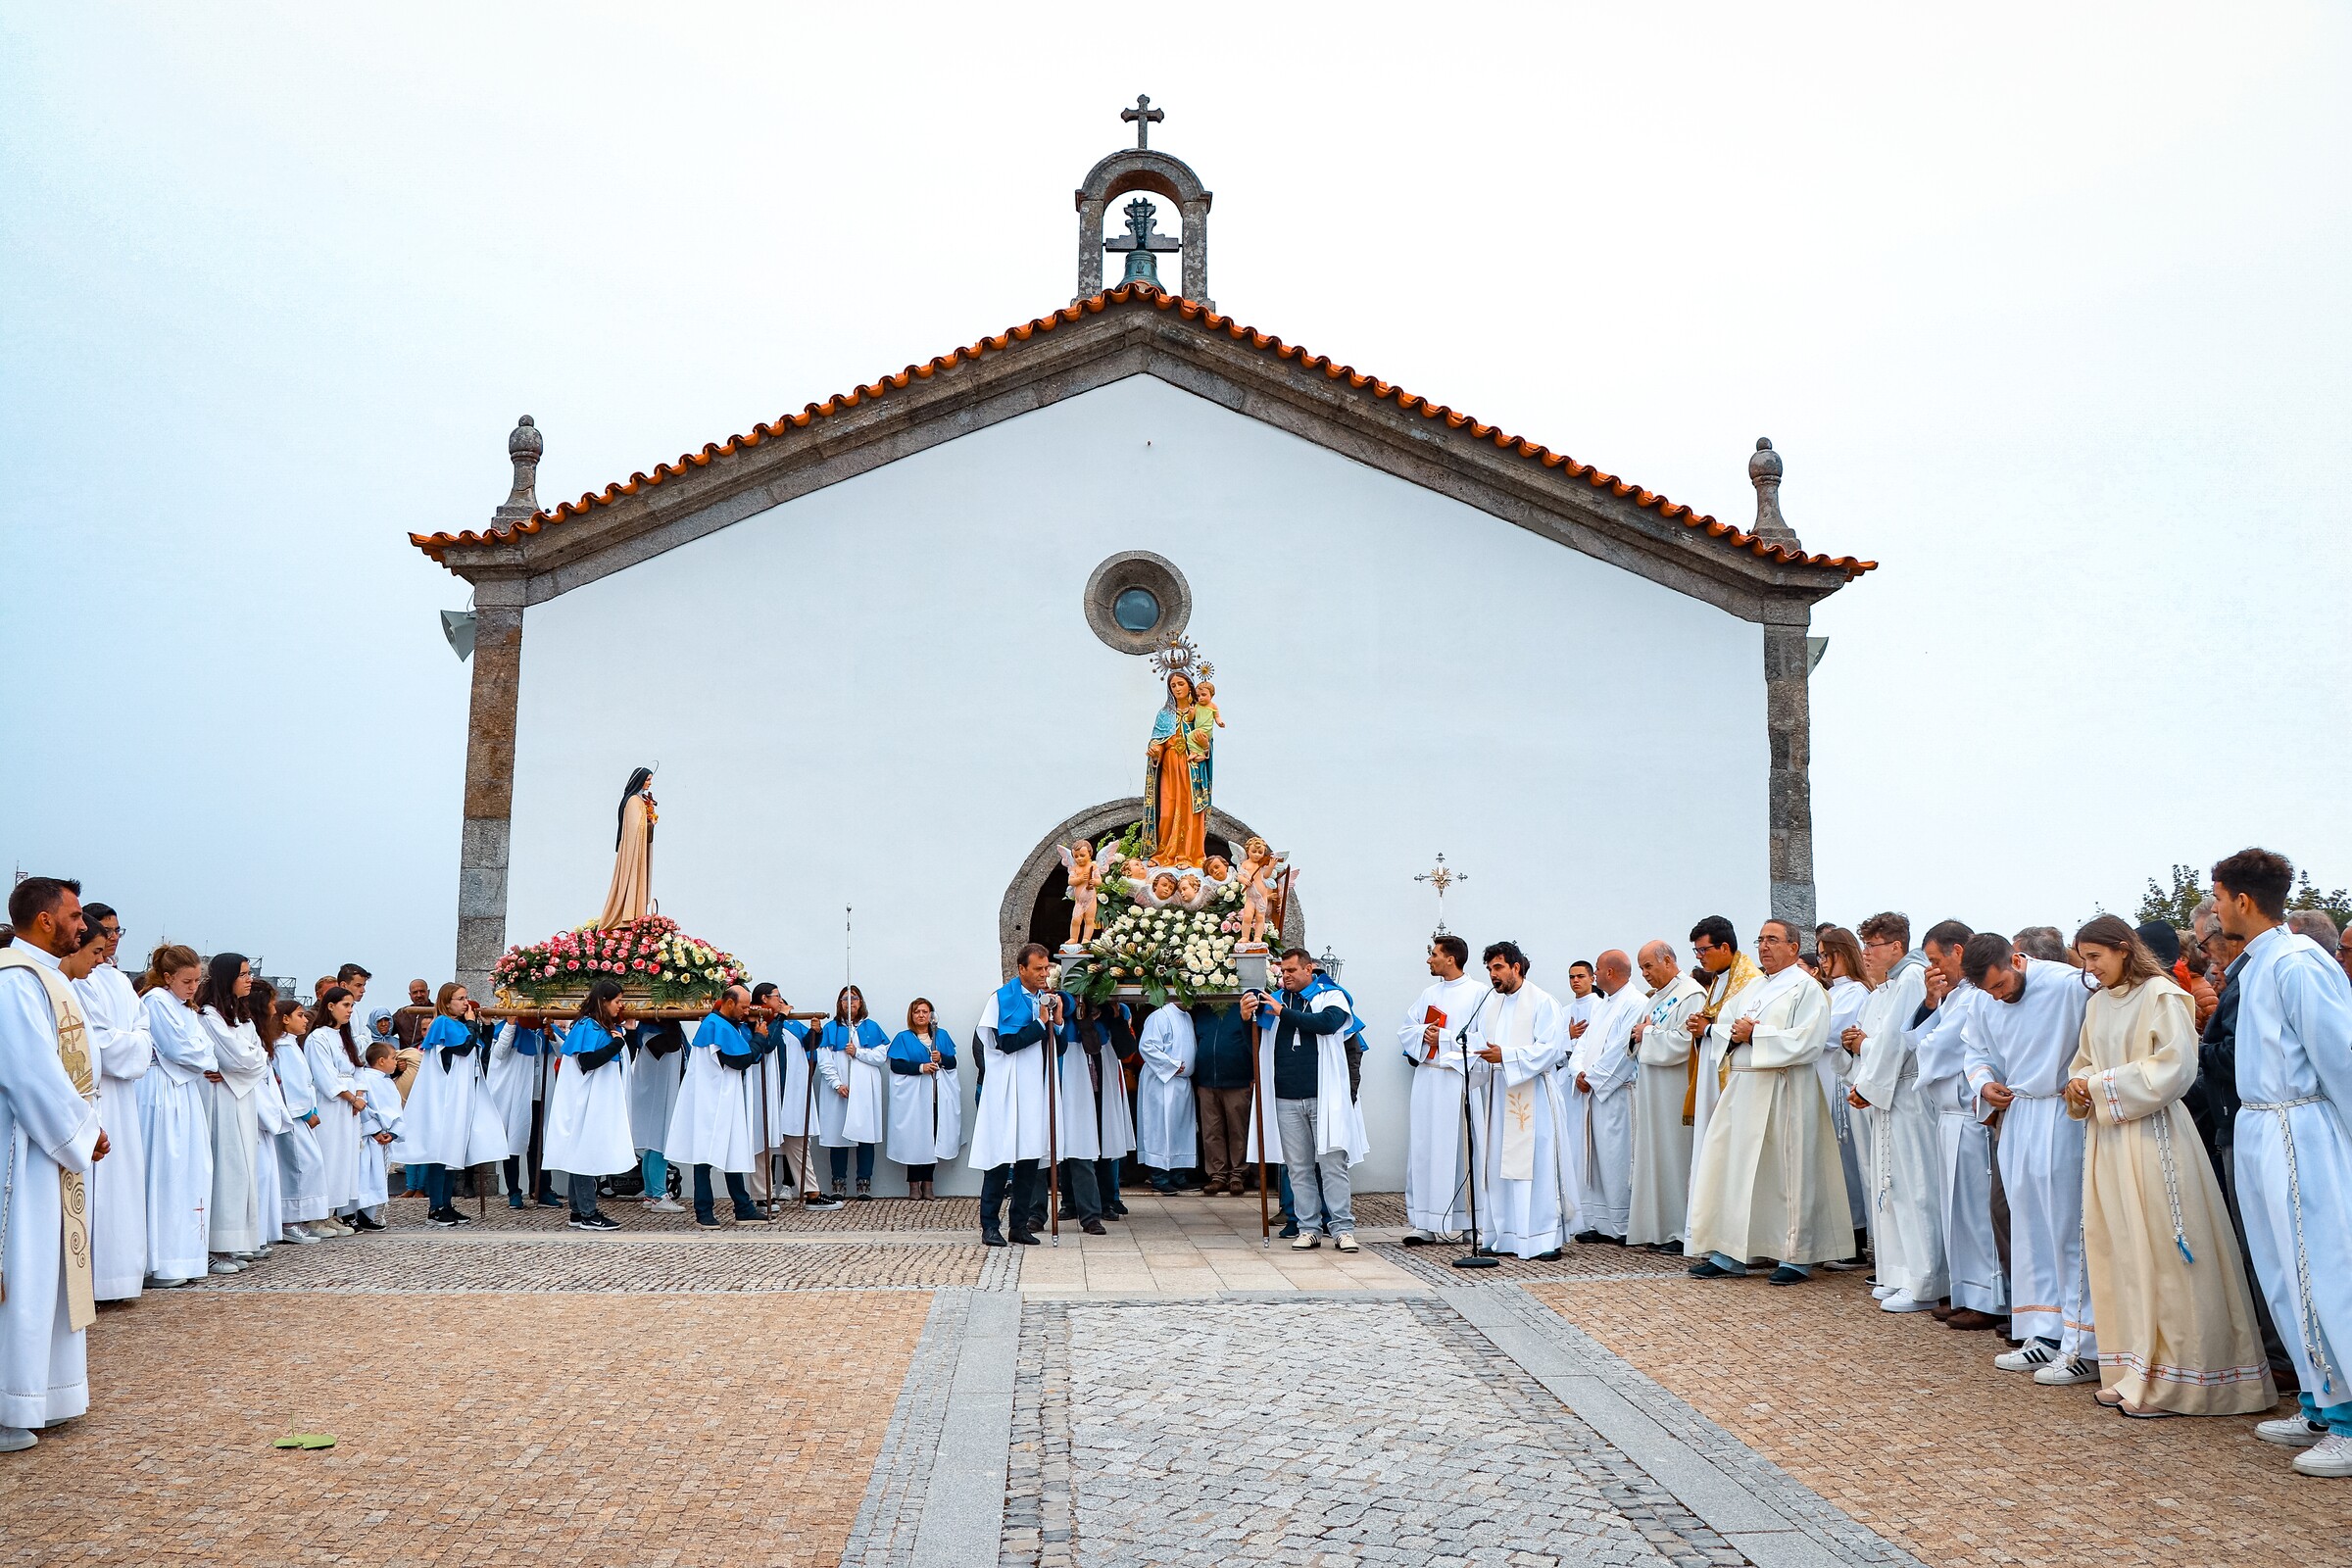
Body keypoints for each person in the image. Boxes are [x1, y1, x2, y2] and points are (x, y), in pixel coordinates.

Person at [2060, 914, 2275, 1418]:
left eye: (2096, 957)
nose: (2090, 969)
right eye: (2084, 959)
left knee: (2161, 1247)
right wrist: (2078, 1084)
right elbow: (2084, 1061)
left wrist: (2096, 1085)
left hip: (2155, 1135)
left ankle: (2178, 1377)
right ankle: (2133, 1367)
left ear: (2122, 949)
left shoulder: (2163, 995)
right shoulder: (2096, 1004)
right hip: (2109, 1140)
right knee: (2121, 1250)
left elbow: (2177, 1067)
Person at [2210, 849, 2352, 1475]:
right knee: (2278, 1269)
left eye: (2216, 898)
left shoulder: (2298, 963)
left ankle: (2348, 1417)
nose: (2211, 912)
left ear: (2243, 900)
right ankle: (2320, 1401)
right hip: (2260, 1123)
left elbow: (2340, 1056)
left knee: (2316, 1269)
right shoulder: (2257, 963)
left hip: (2300, 1126)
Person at [0, 877, 108, 1453]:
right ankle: (9, 1402)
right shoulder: (15, 980)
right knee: (24, 1267)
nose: (82, 926)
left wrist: (85, 1128)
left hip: (52, 1147)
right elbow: (28, 1071)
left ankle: (48, 1393)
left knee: (51, 1269)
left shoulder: (47, 976)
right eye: (73, 915)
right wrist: (81, 1132)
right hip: (22, 1151)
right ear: (45, 919)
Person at [1962, 930, 2098, 1383]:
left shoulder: (2068, 984)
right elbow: (1975, 1049)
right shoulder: (1983, 999)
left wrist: (2086, 1078)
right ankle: (2042, 1333)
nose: (1997, 997)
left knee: (2066, 1227)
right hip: (2018, 1113)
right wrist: (1984, 1081)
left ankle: (2084, 1343)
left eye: (2000, 985)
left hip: (2063, 1115)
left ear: (2016, 960)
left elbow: (2110, 1023)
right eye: (1988, 990)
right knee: (2028, 1225)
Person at [1687, 918, 1848, 1285]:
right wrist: (1736, 1033)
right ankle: (1731, 1251)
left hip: (1784, 1086)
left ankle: (1794, 1254)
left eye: (1772, 940)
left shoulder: (1807, 988)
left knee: (1787, 1172)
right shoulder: (1753, 986)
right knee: (1737, 1170)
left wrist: (1756, 1033)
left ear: (1793, 947)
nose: (1763, 947)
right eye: (1760, 940)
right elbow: (1725, 1025)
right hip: (1745, 1086)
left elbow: (1809, 1040)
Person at [1909, 920, 2007, 1332]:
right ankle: (1965, 1291)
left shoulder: (1972, 998)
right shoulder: (1954, 996)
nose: (1934, 969)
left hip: (1969, 1116)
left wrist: (1925, 1038)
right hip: (1948, 1115)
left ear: (1958, 953)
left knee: (1975, 1212)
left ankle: (1990, 1297)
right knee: (1956, 1212)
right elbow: (1922, 1037)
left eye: (1936, 960)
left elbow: (1940, 1047)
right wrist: (1931, 1004)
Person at [1846, 912, 1944, 1313]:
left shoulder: (1910, 979)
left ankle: (1925, 1280)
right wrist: (1862, 1075)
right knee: (1890, 1187)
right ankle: (1898, 1272)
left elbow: (1892, 1043)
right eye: (1865, 945)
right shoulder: (1886, 987)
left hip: (1907, 1092)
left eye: (1872, 945)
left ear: (1897, 947)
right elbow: (1871, 1039)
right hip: (1890, 1093)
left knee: (1915, 1186)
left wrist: (1868, 1086)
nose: (1865, 953)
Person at [1243, 948, 1368, 1250]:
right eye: (1282, 971)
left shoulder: (1331, 995)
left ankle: (1341, 1227)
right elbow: (1255, 1042)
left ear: (1309, 969)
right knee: (1297, 1166)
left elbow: (1327, 1023)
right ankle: (1308, 1227)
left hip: (1323, 1094)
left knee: (1331, 1162)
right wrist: (1246, 1016)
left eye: (1291, 970)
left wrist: (1282, 1013)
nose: (1285, 976)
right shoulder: (1276, 999)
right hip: (1286, 1094)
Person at [1462, 940, 1571, 1260]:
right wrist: (1471, 1059)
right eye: (1489, 969)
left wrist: (1505, 1055)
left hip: (1533, 1093)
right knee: (1499, 1165)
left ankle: (1541, 1239)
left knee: (1535, 1165)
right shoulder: (1490, 1004)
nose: (1492, 975)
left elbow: (1551, 1049)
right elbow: (1482, 1045)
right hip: (1499, 1094)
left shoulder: (1542, 1001)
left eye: (1497, 968)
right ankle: (1503, 1235)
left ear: (1516, 967)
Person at [70, 905, 153, 1301]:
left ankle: (120, 1276)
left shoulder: (118, 979)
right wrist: (132, 1041)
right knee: (98, 1189)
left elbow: (142, 1029)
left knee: (123, 1184)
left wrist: (132, 1041)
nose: (114, 936)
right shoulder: (79, 978)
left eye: (119, 929)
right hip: (95, 1088)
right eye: (107, 930)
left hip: (124, 1094)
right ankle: (94, 1279)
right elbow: (98, 1040)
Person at [970, 944, 1074, 1247]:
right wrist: (1040, 1023)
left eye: (1047, 969)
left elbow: (1060, 1049)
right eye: (1039, 969)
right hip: (1006, 1087)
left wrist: (1057, 1024)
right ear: (1021, 969)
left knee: (1030, 1157)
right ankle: (990, 1225)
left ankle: (1019, 1225)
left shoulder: (1048, 1001)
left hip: (1036, 1088)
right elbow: (1006, 1043)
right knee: (1000, 1158)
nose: (1045, 974)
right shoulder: (1001, 1000)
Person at [1397, 934, 1488, 1246]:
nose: (1429, 959)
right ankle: (1423, 1221)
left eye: (1433, 954)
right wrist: (1425, 1032)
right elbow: (1407, 1029)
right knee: (1424, 1148)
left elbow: (1483, 1040)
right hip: (1427, 1079)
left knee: (1461, 1150)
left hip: (1457, 1080)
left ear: (1451, 958)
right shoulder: (1429, 993)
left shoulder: (1479, 994)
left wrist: (1444, 1039)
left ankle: (1468, 1223)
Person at [133, 945, 214, 1285]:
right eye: (186, 980)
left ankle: (186, 1258)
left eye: (197, 980)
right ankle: (160, 1261)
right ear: (167, 977)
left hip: (184, 1091)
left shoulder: (183, 1007)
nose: (193, 987)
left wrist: (202, 1055)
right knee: (165, 1170)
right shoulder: (155, 1002)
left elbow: (204, 1048)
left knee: (190, 1170)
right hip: (161, 1090)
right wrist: (202, 1055)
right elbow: (180, 1049)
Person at [666, 984, 773, 1228]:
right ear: (728, 1002)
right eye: (744, 1007)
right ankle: (704, 1210)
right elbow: (740, 1060)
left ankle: (742, 1207)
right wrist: (759, 1038)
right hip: (711, 1100)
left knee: (732, 1150)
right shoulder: (717, 1025)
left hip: (723, 1096)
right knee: (704, 1157)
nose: (746, 1012)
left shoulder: (724, 1025)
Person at [1627, 940, 1705, 1252]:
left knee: (1676, 1158)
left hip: (1675, 1090)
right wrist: (1638, 1036)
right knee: (1656, 1157)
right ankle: (1659, 1228)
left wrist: (1647, 1035)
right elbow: (1640, 1033)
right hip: (1652, 1091)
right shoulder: (1657, 998)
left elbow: (1686, 1041)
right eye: (1642, 967)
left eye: (1649, 966)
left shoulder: (1691, 994)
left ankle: (1679, 1230)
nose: (1645, 974)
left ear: (1669, 960)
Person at [407, 983, 506, 1227]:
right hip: (446, 1096)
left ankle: (447, 1204)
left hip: (462, 1094)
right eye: (460, 998)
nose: (465, 1002)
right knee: (441, 1152)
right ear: (447, 1001)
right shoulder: (442, 1023)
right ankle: (436, 1207)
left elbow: (477, 1051)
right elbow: (462, 1049)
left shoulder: (460, 1025)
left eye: (466, 998)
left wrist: (486, 1028)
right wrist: (472, 1025)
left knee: (453, 1151)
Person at [543, 981, 635, 1232]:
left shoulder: (597, 1026)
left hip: (594, 1100)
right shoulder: (587, 1025)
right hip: (584, 1101)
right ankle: (588, 1212)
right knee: (584, 1155)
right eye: (617, 1001)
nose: (620, 1006)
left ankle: (577, 1210)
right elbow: (588, 1060)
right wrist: (616, 1044)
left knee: (579, 1153)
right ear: (603, 1001)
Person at [196, 954, 269, 1267]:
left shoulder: (242, 1016)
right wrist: (232, 1070)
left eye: (250, 973)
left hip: (238, 1095)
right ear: (227, 978)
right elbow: (239, 1057)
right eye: (243, 974)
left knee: (243, 1169)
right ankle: (215, 1247)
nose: (249, 979)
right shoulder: (209, 1015)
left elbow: (259, 1059)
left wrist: (229, 1072)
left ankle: (237, 1240)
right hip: (219, 1101)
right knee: (227, 1168)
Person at [1566, 951, 1642, 1245]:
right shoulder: (1604, 1003)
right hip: (1594, 1091)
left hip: (1617, 1094)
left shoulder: (1635, 1002)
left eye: (1597, 969)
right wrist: (1578, 1072)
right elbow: (1583, 1044)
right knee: (1595, 1158)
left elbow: (1623, 1049)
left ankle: (1622, 1223)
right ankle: (1600, 1221)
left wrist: (1593, 1078)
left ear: (1610, 972)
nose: (1594, 974)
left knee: (1617, 1158)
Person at [1684, 916, 1762, 1190]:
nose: (1699, 957)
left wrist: (1707, 1029)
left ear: (1725, 947)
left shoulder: (1751, 981)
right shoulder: (1719, 979)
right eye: (1696, 951)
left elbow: (1742, 1029)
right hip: (1710, 1070)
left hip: (1732, 1077)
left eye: (1703, 950)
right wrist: (1698, 1028)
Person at [1815, 927, 1873, 1257]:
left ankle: (1854, 1235)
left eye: (1827, 955)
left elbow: (1829, 1032)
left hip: (1839, 1082)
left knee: (1846, 1160)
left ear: (1843, 953)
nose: (1822, 962)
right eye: (1820, 955)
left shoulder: (1854, 992)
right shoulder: (1832, 992)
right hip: (1823, 1077)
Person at [262, 998, 332, 1243]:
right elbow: (291, 1086)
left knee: (309, 1164)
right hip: (295, 1117)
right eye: (300, 1015)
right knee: (301, 1165)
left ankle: (300, 1218)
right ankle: (290, 1220)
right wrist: (306, 1112)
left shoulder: (290, 1045)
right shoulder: (283, 1048)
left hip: (302, 1114)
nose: (305, 1020)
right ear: (284, 1019)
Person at [303, 987, 368, 1229]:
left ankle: (332, 1211)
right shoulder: (318, 1037)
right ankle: (317, 1214)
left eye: (352, 1006)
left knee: (345, 1157)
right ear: (331, 1006)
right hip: (332, 1104)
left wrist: (359, 1095)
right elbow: (324, 1076)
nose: (350, 1010)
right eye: (346, 1005)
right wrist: (351, 1097)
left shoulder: (345, 1036)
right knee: (329, 1154)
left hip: (350, 1106)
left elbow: (358, 1067)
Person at [815, 986, 889, 1200]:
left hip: (865, 1090)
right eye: (845, 999)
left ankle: (864, 1183)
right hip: (840, 1091)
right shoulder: (831, 1028)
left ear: (861, 1002)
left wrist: (858, 1052)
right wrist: (837, 1084)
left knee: (865, 1135)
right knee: (839, 1135)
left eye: (854, 998)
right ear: (839, 1003)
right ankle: (838, 1182)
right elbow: (825, 1061)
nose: (850, 1002)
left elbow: (881, 1056)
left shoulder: (872, 1027)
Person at [887, 999, 961, 1200]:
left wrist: (941, 1059)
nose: (921, 1015)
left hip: (935, 1096)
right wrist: (921, 1068)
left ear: (931, 1015)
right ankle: (913, 1184)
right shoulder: (903, 1038)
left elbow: (953, 1061)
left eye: (925, 1011)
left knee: (932, 1138)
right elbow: (897, 1066)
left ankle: (928, 1183)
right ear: (911, 1016)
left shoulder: (941, 1036)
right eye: (917, 1012)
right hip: (914, 1099)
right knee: (914, 1139)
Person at [1190, 1000, 1255, 1199]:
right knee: (1211, 1131)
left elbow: (1253, 1041)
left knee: (1238, 1129)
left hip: (1238, 1079)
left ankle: (1238, 1175)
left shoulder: (1242, 1008)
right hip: (1207, 1080)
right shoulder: (1202, 1011)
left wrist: (1253, 1074)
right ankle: (1217, 1175)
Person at [488, 1015, 553, 1209]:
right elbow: (499, 1052)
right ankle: (514, 1191)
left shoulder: (543, 1029)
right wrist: (510, 1025)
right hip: (515, 1095)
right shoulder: (504, 1029)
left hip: (539, 1093)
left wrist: (552, 1034)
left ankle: (540, 1189)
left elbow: (561, 1051)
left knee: (538, 1143)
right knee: (513, 1143)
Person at [1134, 1000, 1198, 1194]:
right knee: (1159, 1129)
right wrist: (1171, 1065)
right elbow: (1147, 1046)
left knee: (1180, 1130)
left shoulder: (1186, 1017)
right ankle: (1159, 1177)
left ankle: (1179, 1175)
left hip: (1182, 1083)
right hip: (1161, 1082)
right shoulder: (1159, 1016)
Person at [627, 1018, 687, 1210]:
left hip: (660, 1093)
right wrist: (674, 1021)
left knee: (653, 1146)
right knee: (659, 1143)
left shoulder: (652, 1031)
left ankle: (651, 1194)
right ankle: (659, 1195)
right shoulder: (650, 1033)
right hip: (657, 1095)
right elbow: (672, 1045)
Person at [596, 765, 657, 929]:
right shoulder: (633, 801)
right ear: (639, 781)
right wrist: (650, 824)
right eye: (648, 780)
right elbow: (635, 828)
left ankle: (634, 914)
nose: (650, 783)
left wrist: (649, 821)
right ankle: (627, 915)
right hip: (632, 853)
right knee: (630, 879)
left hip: (637, 850)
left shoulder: (638, 801)